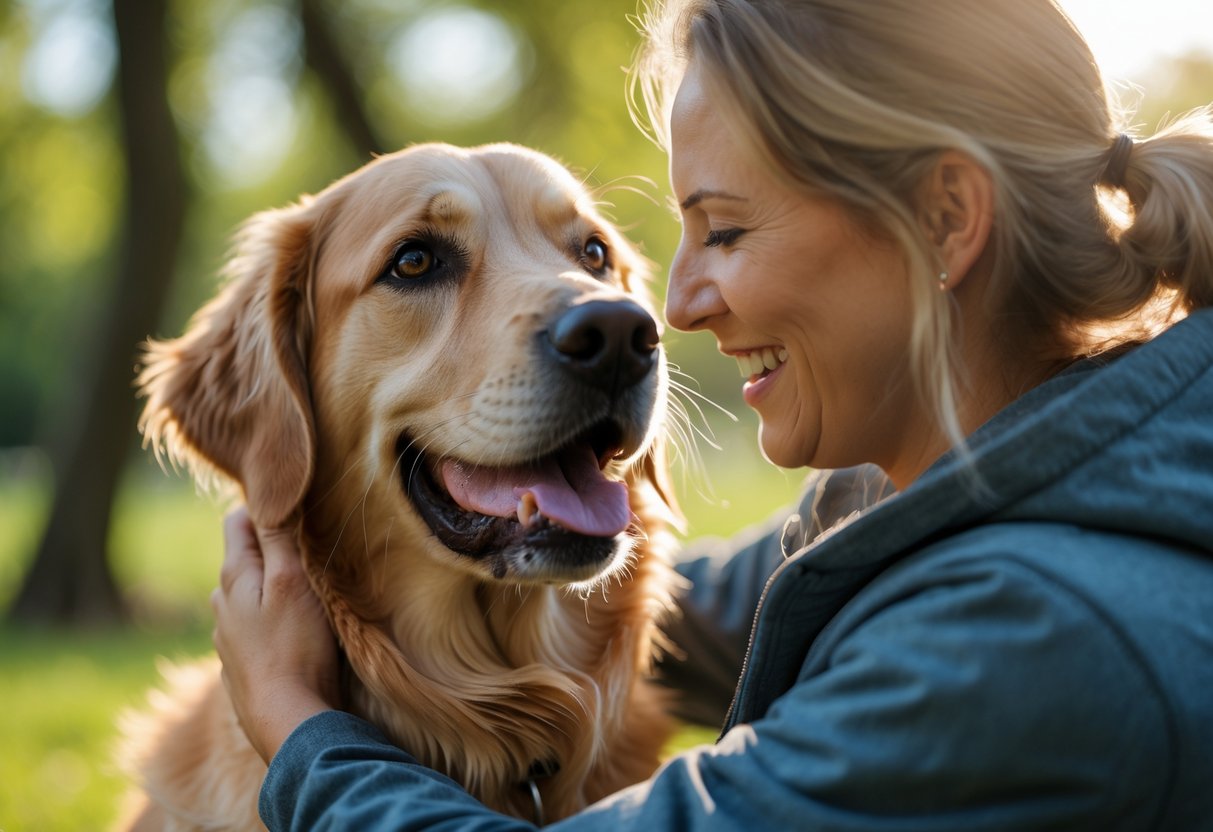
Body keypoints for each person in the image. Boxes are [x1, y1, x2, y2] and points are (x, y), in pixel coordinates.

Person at [210, 0, 1213, 828]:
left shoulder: (1027, 639)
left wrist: (298, 726)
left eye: (723, 230)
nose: (662, 309)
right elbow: (727, 600)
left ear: (945, 221)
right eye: (421, 263)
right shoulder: (1033, 471)